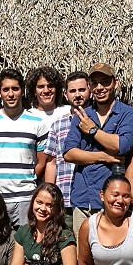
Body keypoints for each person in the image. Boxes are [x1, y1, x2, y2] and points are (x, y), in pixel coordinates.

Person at [62, 63, 133, 237]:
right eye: (95, 83)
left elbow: (122, 146)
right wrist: (103, 156)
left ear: (115, 83)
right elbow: (69, 153)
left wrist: (92, 130)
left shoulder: (128, 113)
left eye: (105, 82)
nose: (100, 87)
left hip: (115, 201)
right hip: (83, 198)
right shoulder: (82, 114)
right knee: (82, 256)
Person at [0, 69, 48, 225]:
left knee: (23, 245)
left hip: (25, 198)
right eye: (6, 89)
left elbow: (42, 162)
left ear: (22, 91)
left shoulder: (38, 123)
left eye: (15, 89)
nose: (11, 94)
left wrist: (26, 179)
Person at [43, 71, 91, 218]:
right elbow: (51, 162)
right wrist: (50, 196)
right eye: (73, 91)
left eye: (82, 90)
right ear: (65, 94)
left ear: (90, 89)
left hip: (91, 198)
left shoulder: (99, 121)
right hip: (64, 199)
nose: (77, 95)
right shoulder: (57, 125)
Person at [27, 66, 69, 130]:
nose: (46, 91)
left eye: (50, 86)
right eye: (41, 87)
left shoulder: (69, 112)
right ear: (34, 91)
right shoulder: (28, 116)